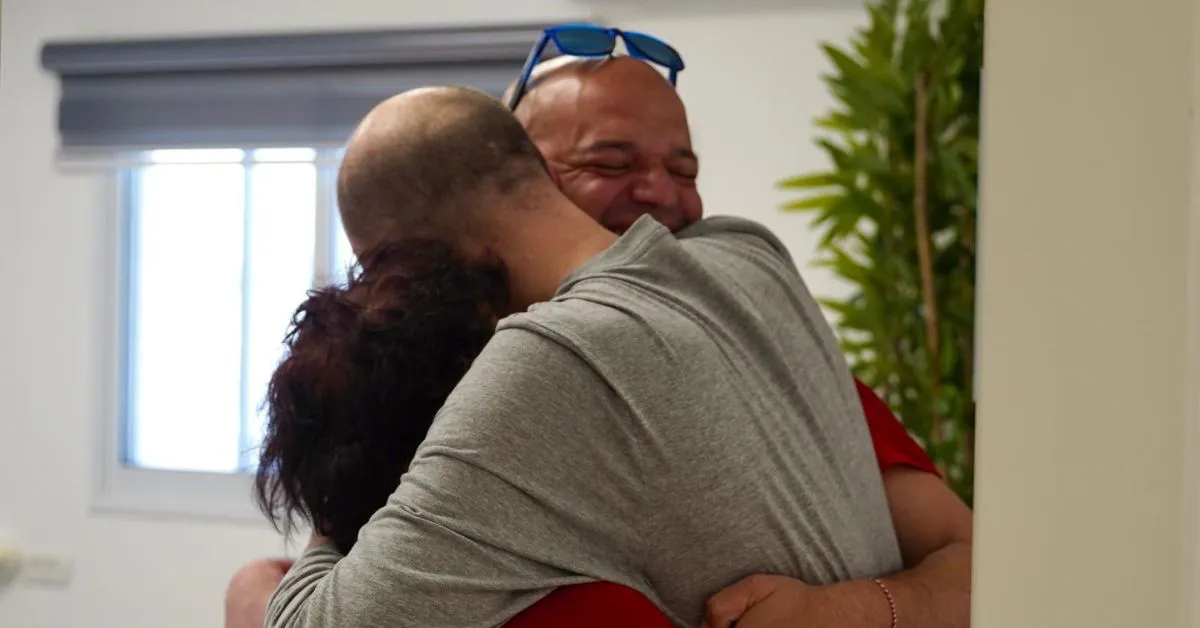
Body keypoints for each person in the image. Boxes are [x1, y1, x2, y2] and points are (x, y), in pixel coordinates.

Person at [227, 48, 971, 628]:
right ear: (534, 175)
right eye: (611, 162)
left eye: (384, 269)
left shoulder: (550, 365)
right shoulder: (751, 255)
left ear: (421, 254)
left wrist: (329, 511)